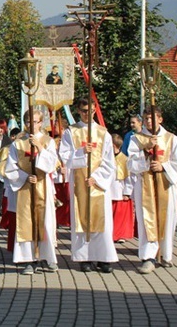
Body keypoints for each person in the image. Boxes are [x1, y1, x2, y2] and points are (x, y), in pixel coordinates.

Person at [59, 98, 118, 273]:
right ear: (78, 111)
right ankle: (85, 257)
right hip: (79, 182)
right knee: (81, 220)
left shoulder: (103, 133)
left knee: (102, 221)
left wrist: (97, 178)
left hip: (98, 185)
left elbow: (109, 162)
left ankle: (104, 257)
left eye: (90, 110)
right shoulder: (71, 132)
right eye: (84, 110)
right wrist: (81, 152)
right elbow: (64, 156)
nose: (87, 113)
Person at [128, 105, 177, 274]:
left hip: (165, 185)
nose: (149, 121)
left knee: (166, 219)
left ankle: (165, 254)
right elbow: (130, 164)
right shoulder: (137, 139)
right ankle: (148, 257)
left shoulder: (171, 139)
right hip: (145, 185)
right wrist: (145, 157)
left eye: (152, 118)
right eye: (146, 118)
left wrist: (163, 166)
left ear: (160, 119)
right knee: (147, 219)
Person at [5, 109, 59, 275]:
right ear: (25, 123)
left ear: (41, 123)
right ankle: (29, 260)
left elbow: (52, 164)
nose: (32, 125)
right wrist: (25, 177)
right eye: (29, 122)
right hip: (25, 188)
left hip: (44, 188)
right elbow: (10, 168)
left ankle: (47, 256)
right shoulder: (17, 143)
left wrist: (40, 148)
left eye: (35, 122)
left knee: (46, 223)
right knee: (27, 222)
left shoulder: (48, 141)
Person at [110, 133, 134, 243]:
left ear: (114, 146)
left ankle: (119, 235)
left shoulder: (124, 159)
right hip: (108, 190)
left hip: (119, 190)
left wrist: (127, 192)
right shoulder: (105, 158)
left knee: (120, 216)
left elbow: (129, 177)